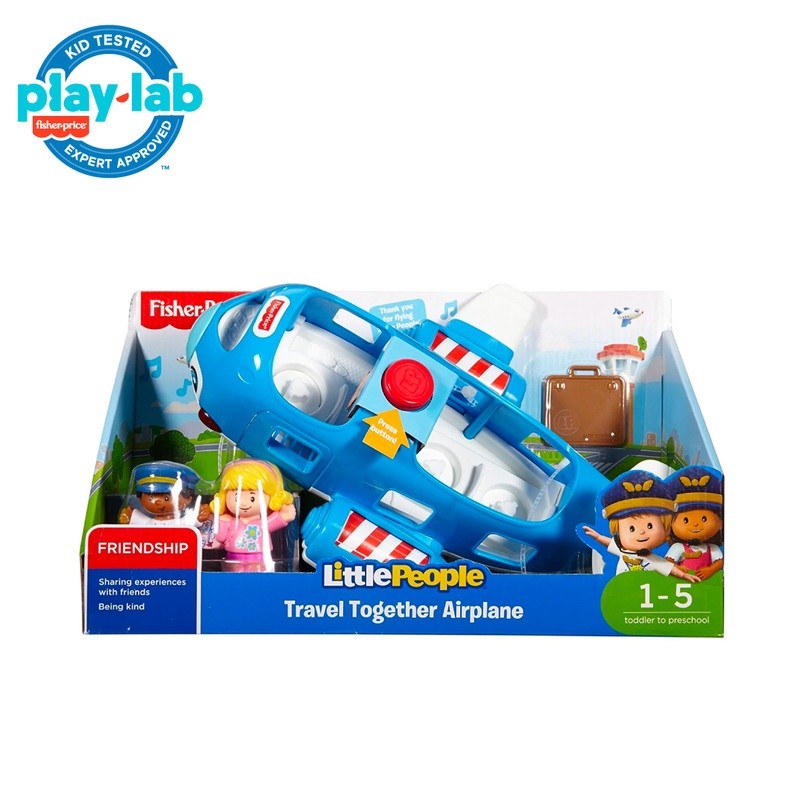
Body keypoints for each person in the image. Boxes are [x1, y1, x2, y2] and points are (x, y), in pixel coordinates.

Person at [582, 469, 699, 581]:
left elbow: (670, 569)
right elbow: (609, 543)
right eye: (631, 528)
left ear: (666, 530)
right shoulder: (623, 551)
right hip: (622, 589)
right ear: (618, 533)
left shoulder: (654, 560)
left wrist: (684, 575)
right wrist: (597, 537)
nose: (642, 532)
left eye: (650, 526)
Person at [208, 459, 296, 572]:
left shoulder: (262, 524)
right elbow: (220, 537)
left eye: (252, 498)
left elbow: (276, 520)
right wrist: (222, 522)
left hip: (259, 557)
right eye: (237, 497)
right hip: (232, 557)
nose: (243, 503)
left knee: (257, 578)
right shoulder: (231, 521)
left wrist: (284, 515)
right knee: (233, 578)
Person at [665, 466, 724, 580]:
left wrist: (710, 570)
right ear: (671, 524)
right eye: (686, 520)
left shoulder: (712, 548)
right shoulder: (678, 547)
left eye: (704, 519)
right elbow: (669, 562)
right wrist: (677, 568)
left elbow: (720, 562)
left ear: (720, 523)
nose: (695, 524)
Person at [118, 461, 210, 527]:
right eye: (151, 498)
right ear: (140, 498)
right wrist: (128, 517)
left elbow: (190, 522)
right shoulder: (147, 522)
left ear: (188, 499)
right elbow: (135, 520)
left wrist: (199, 516)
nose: (157, 502)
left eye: (166, 498)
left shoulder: (180, 523)